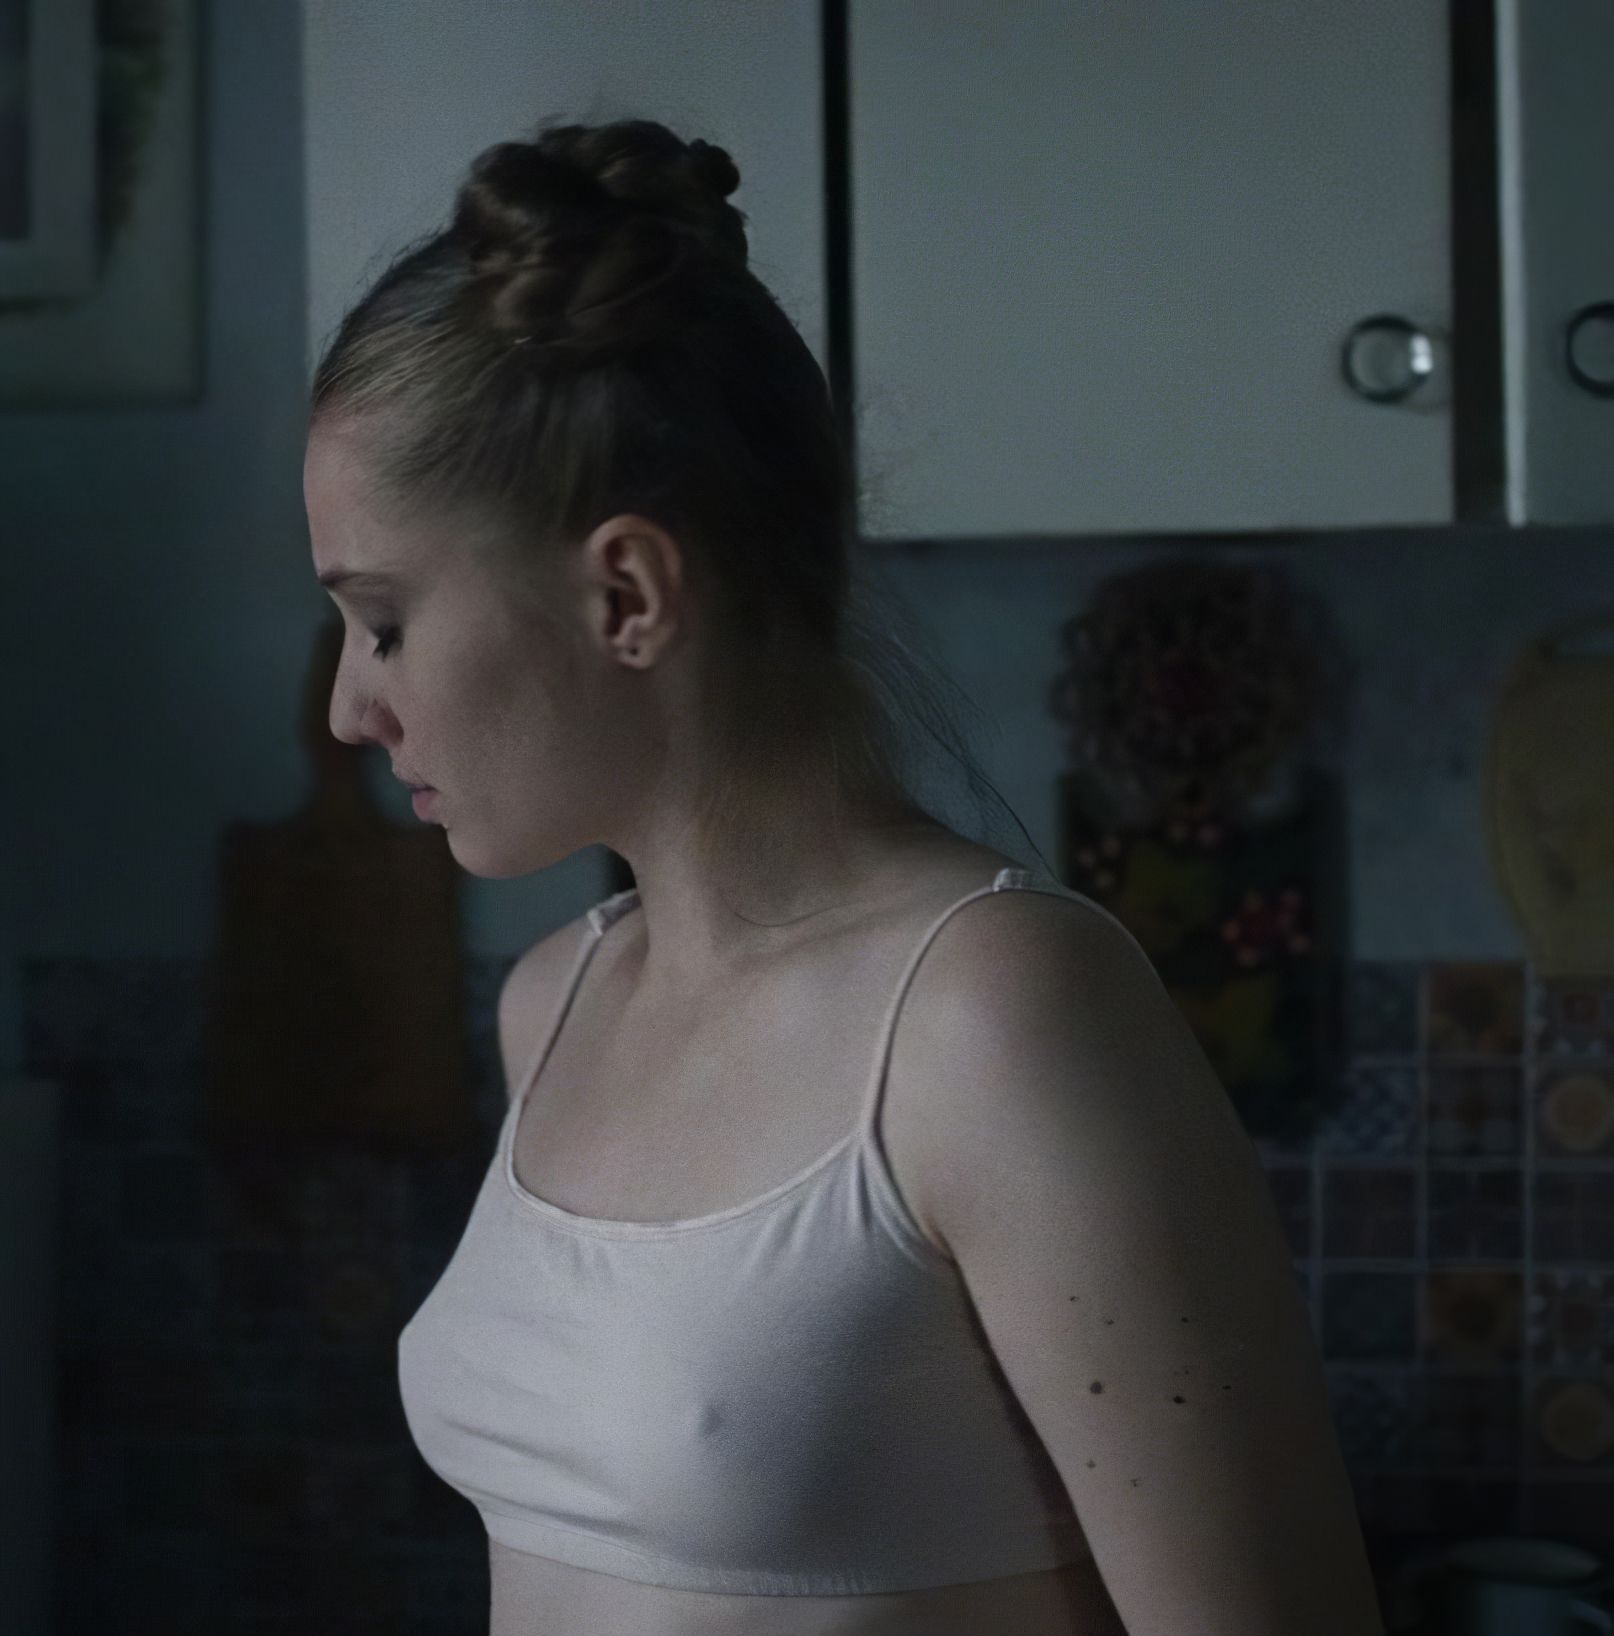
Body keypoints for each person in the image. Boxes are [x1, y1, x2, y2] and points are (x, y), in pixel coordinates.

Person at [303, 117, 1385, 1636]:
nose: (351, 708)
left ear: (626, 592)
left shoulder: (993, 1013)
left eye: (384, 621)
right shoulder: (554, 1004)